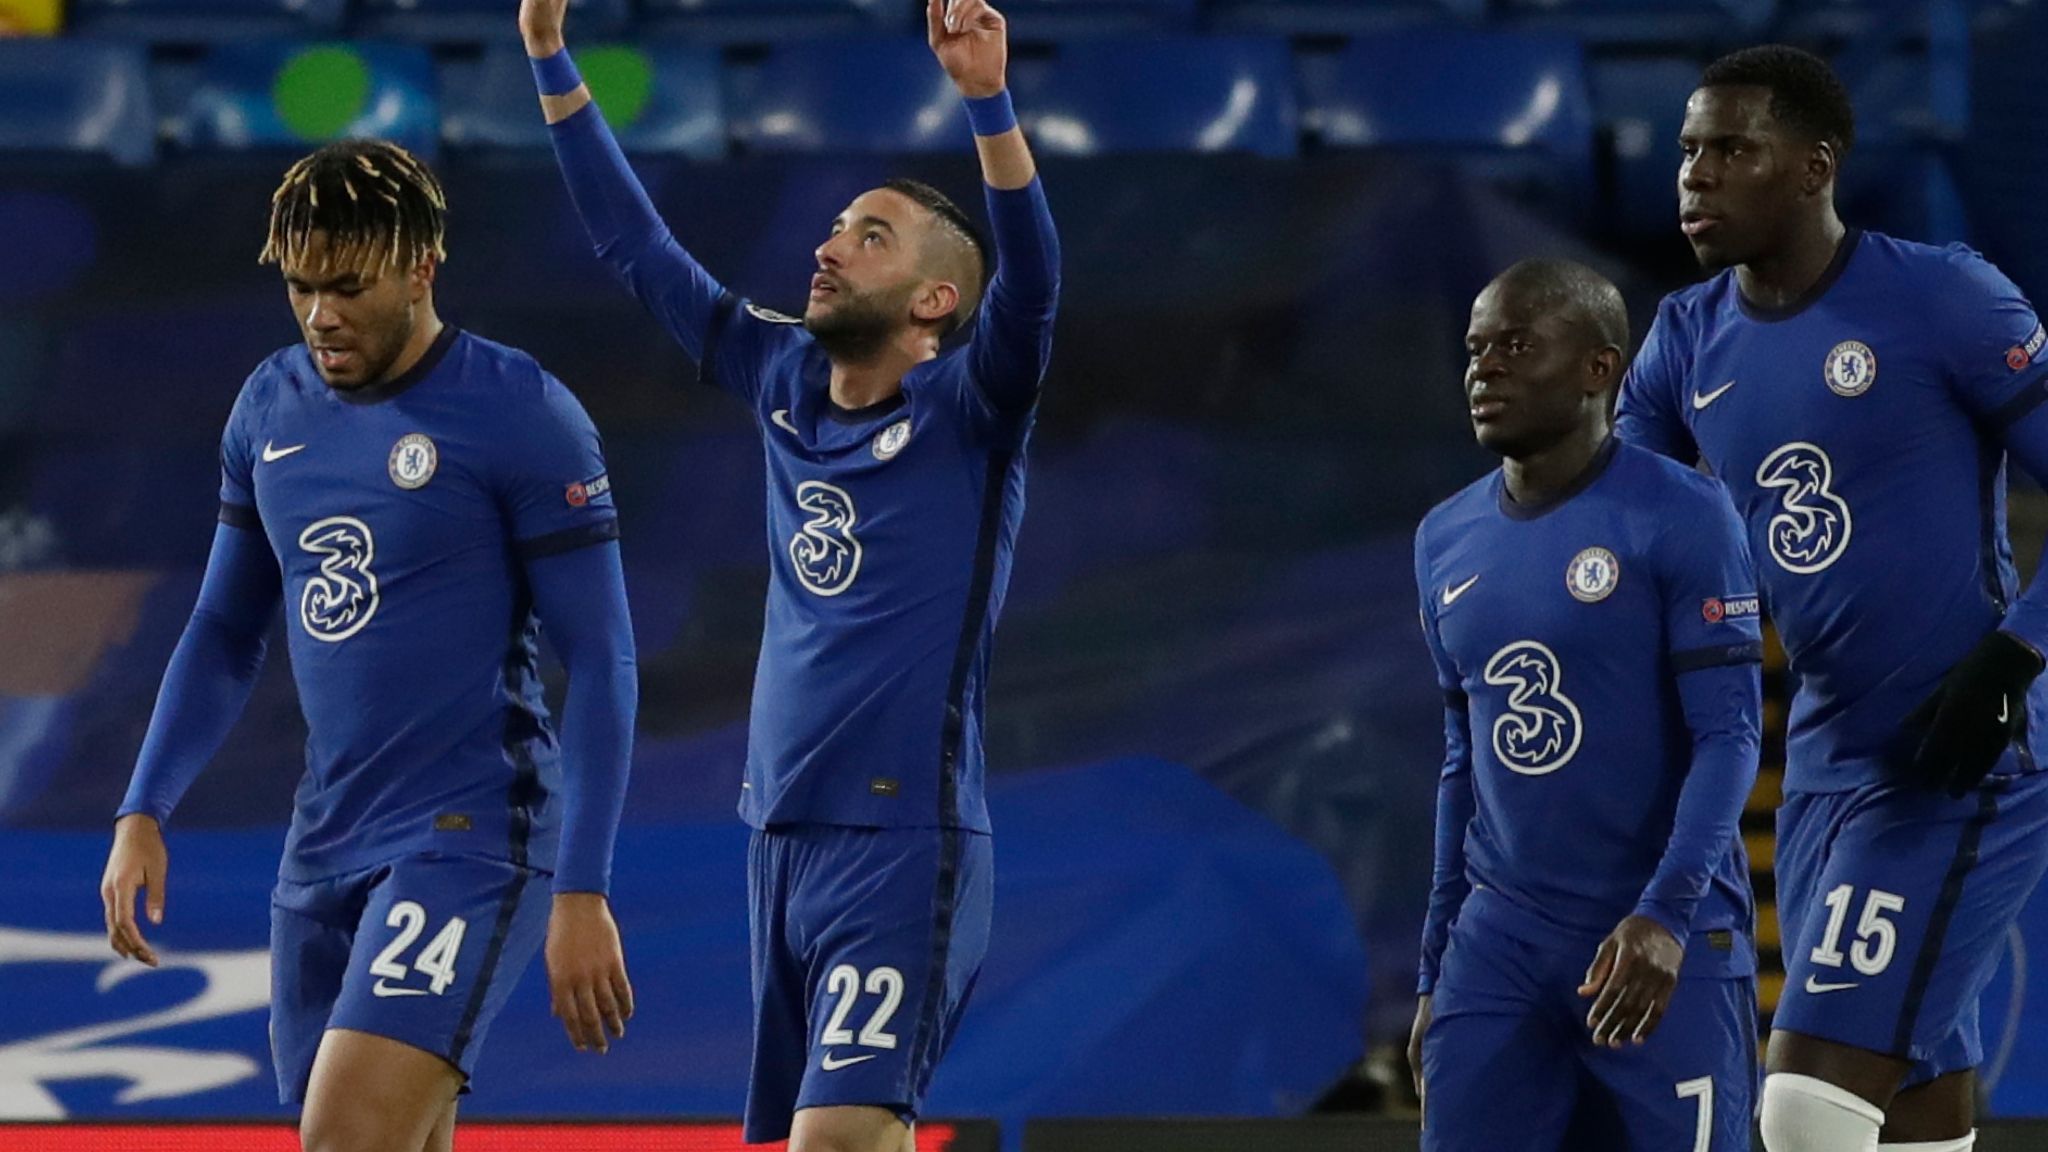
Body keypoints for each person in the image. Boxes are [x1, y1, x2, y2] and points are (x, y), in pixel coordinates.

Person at [517, 0, 1059, 1147]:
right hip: (776, 840)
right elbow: (635, 250)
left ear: (933, 301)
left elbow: (1033, 289)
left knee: (839, 1137)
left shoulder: (969, 412)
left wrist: (986, 102)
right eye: (834, 226)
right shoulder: (780, 375)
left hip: (899, 842)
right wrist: (549, 57)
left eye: (869, 237)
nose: (827, 247)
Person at [97, 140, 639, 1152]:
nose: (319, 316)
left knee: (344, 1132)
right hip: (325, 840)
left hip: (470, 833)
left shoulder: (521, 412)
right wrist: (143, 807)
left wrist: (583, 885)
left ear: (422, 268)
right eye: (301, 288)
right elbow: (224, 629)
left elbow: (602, 659)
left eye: (347, 287)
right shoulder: (270, 407)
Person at [1617, 43, 2048, 1152]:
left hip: (1961, 756)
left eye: (1730, 149)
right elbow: (1625, 544)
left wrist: (2014, 656)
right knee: (1905, 1119)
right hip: (1820, 768)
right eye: (1687, 150)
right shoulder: (1684, 339)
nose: (1695, 175)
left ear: (1814, 167)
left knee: (1806, 1110)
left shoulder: (1942, 296)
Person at [1410, 259, 1764, 1151]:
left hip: (1655, 935)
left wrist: (1666, 915)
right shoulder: (1444, 539)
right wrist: (1435, 968)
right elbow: (1463, 762)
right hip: (1500, 948)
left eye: (1516, 345)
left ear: (1599, 369)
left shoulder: (1686, 514)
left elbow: (1729, 735)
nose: (1484, 369)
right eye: (1476, 349)